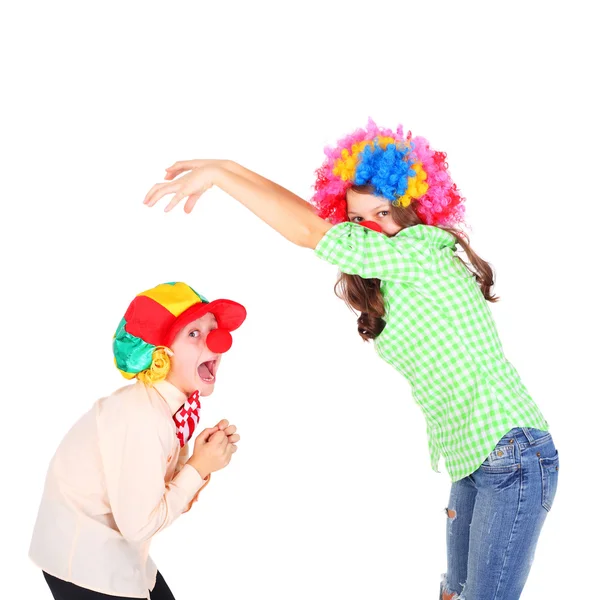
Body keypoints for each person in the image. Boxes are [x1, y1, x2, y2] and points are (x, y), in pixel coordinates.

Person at [143, 119, 560, 599]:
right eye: (359, 220)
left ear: (411, 211)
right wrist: (227, 167)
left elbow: (307, 230)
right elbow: (312, 220)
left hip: (511, 449)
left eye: (383, 214)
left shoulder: (420, 252)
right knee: (453, 592)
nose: (373, 230)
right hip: (480, 455)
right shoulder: (398, 269)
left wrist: (221, 177)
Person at [29, 282, 246, 600]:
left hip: (121, 553)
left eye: (212, 329)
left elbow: (150, 495)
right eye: (194, 333)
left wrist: (195, 460)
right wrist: (198, 468)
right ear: (160, 354)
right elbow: (141, 525)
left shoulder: (163, 406)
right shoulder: (142, 416)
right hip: (85, 563)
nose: (218, 341)